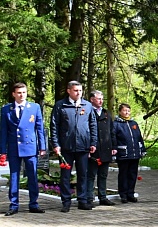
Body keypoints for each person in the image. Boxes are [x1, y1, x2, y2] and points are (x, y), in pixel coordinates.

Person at [50, 81, 97, 212]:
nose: (78, 93)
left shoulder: (87, 105)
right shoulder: (60, 105)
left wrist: (93, 143)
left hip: (83, 146)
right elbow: (54, 126)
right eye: (76, 90)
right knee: (65, 176)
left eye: (80, 91)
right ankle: (66, 202)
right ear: (69, 91)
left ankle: (82, 200)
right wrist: (56, 144)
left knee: (83, 174)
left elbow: (93, 125)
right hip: (66, 147)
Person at [0, 83, 47, 215]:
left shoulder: (34, 107)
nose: (22, 95)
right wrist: (2, 150)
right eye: (19, 93)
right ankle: (14, 205)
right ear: (14, 94)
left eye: (24, 92)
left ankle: (34, 203)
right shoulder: (6, 109)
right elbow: (3, 131)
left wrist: (42, 146)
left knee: (32, 176)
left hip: (30, 147)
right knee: (14, 177)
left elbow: (40, 128)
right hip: (14, 147)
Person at [87, 90, 116, 206]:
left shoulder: (106, 113)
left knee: (103, 175)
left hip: (105, 148)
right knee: (90, 175)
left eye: (102, 99)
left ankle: (102, 196)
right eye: (98, 99)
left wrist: (114, 146)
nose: (101, 101)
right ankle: (89, 197)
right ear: (92, 99)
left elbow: (111, 131)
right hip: (93, 149)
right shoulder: (87, 112)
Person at [114, 104, 146, 203]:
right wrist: (114, 150)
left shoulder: (134, 123)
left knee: (132, 174)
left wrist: (142, 150)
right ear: (120, 112)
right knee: (123, 174)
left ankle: (130, 193)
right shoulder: (116, 124)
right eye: (124, 110)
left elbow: (139, 137)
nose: (127, 112)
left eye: (128, 110)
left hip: (134, 153)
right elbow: (113, 138)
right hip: (123, 154)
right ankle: (123, 194)